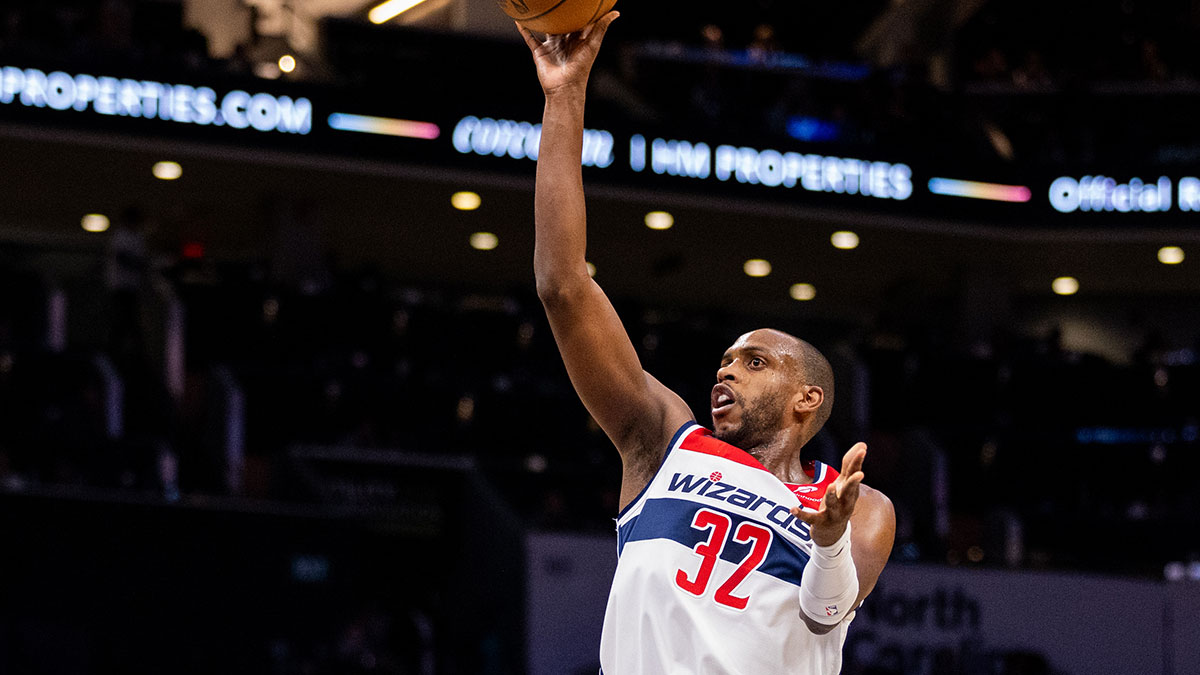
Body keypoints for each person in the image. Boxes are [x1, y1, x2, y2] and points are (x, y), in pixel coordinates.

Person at [518, 13, 896, 674]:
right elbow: (563, 285)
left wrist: (829, 540)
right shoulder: (663, 441)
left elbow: (825, 615)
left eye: (755, 361)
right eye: (725, 359)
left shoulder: (856, 504)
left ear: (809, 396)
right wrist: (564, 95)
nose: (728, 370)